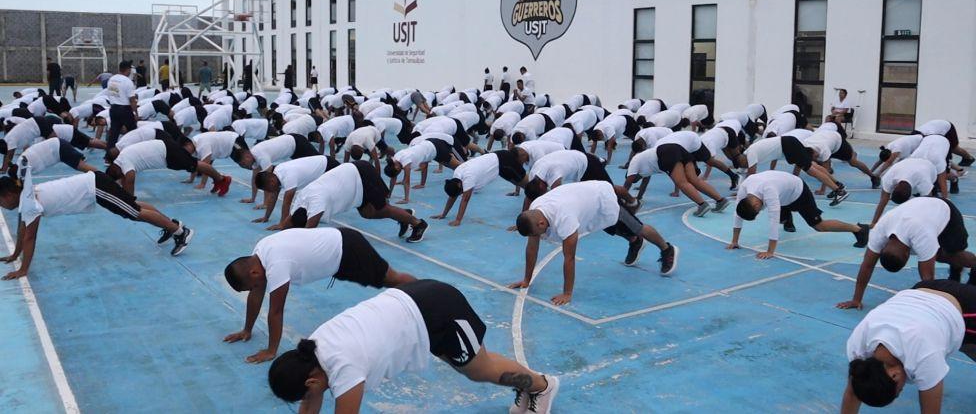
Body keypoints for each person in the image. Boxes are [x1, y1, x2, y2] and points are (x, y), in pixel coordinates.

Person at [267, 279, 559, 414]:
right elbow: (310, 398)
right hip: (414, 305)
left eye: (309, 391)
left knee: (479, 369)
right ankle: (529, 386)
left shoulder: (344, 369)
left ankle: (542, 386)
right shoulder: (311, 348)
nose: (310, 397)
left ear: (311, 379)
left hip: (440, 313)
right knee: (474, 367)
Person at [222, 226, 417, 363]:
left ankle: (423, 295)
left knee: (391, 279)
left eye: (252, 285)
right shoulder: (260, 252)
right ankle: (421, 294)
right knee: (388, 279)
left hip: (349, 250)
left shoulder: (276, 264)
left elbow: (276, 311)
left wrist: (271, 350)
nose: (255, 288)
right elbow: (256, 294)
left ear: (254, 273)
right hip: (337, 250)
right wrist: (247, 329)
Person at [0, 169, 194, 278]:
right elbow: (22, 228)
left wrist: (23, 269)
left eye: (0, 201)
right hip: (94, 184)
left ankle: (179, 231)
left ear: (8, 195)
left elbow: (30, 236)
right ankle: (169, 225)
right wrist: (16, 254)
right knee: (133, 206)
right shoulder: (25, 197)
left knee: (134, 213)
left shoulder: (29, 204)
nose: (2, 205)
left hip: (95, 187)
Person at [510, 181, 678, 305]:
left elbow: (569, 258)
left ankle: (666, 248)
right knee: (611, 228)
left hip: (601, 199)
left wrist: (567, 293)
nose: (538, 237)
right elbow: (532, 247)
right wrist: (526, 279)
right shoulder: (535, 210)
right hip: (585, 201)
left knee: (636, 227)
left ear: (541, 224)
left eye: (537, 234)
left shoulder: (564, 219)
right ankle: (635, 242)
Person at [841, 280, 976, 413]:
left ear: (894, 375)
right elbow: (853, 394)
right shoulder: (859, 347)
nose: (902, 388)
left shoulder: (924, 355)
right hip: (922, 290)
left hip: (966, 307)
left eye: (899, 391)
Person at [837, 197, 976, 310]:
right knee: (936, 255)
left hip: (945, 211)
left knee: (954, 255)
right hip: (922, 210)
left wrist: (931, 309)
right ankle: (955, 274)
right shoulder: (878, 233)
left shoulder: (922, 236)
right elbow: (867, 266)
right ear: (883, 248)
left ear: (907, 254)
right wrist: (856, 300)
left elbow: (928, 280)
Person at [730, 171, 869, 259]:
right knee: (781, 214)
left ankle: (859, 229)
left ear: (755, 205)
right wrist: (734, 241)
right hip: (784, 193)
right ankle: (787, 218)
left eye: (758, 211)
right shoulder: (745, 188)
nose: (761, 211)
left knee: (819, 226)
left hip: (798, 192)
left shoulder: (768, 192)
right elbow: (738, 214)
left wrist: (770, 251)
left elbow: (772, 220)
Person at [282, 161, 429, 243]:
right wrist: (282, 230)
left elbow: (309, 235)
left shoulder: (316, 204)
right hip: (353, 181)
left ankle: (418, 224)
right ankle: (402, 215)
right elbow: (290, 221)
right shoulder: (300, 202)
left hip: (362, 175)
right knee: (367, 214)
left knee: (383, 209)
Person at [107, 136, 233, 196]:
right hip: (164, 150)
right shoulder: (120, 159)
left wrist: (129, 199)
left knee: (196, 165)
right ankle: (219, 179)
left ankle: (222, 179)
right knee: (195, 165)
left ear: (117, 173)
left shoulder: (124, 164)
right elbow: (125, 178)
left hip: (167, 153)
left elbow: (129, 178)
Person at [252, 155, 339, 230]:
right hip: (322, 165)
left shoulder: (288, 177)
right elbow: (273, 197)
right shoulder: (276, 175)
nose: (269, 192)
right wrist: (266, 217)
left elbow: (287, 203)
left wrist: (282, 224)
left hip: (329, 166)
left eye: (268, 189)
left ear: (271, 182)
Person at [869, 158, 938, 226]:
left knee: (925, 204)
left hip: (929, 167)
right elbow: (883, 201)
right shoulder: (888, 178)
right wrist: (874, 223)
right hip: (909, 161)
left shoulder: (924, 182)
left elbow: (929, 204)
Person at [105, 60, 138, 156]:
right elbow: (132, 100)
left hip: (113, 109)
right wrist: (136, 113)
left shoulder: (111, 79)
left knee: (114, 134)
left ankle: (108, 157)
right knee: (133, 133)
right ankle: (133, 154)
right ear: (127, 70)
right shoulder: (128, 82)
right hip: (125, 109)